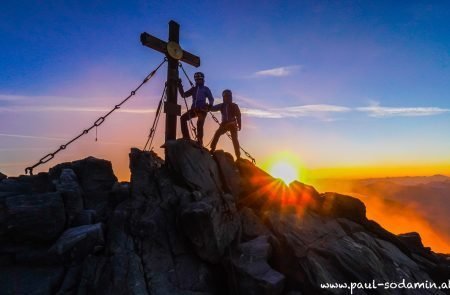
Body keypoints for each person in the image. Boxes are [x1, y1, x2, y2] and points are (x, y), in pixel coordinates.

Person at [178, 72, 214, 146]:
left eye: (199, 79)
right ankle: (186, 137)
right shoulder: (194, 89)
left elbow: (211, 99)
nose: (198, 81)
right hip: (194, 109)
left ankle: (200, 141)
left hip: (203, 110)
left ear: (203, 80)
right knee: (183, 118)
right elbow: (183, 95)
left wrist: (209, 106)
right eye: (197, 80)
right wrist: (179, 85)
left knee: (199, 124)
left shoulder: (205, 89)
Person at [209, 89, 241, 159]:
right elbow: (213, 108)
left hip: (231, 124)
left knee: (234, 139)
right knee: (218, 134)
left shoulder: (234, 106)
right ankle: (212, 149)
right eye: (226, 96)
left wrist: (239, 124)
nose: (227, 98)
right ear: (224, 97)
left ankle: (238, 156)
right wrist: (208, 107)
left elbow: (238, 115)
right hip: (226, 124)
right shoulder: (222, 105)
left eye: (228, 96)